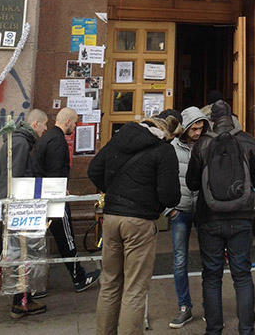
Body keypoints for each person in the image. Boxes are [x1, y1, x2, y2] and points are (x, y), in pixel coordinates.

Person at [88, 115, 180, 335]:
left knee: (109, 284)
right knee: (135, 289)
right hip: (140, 222)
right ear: (166, 132)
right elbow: (170, 196)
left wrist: (114, 191)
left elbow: (93, 170)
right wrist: (152, 203)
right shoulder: (164, 150)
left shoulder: (119, 139)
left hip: (111, 218)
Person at [186, 100, 255, 335]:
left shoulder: (202, 144)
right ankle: (247, 330)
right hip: (242, 217)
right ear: (232, 118)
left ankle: (214, 330)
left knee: (212, 276)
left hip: (209, 218)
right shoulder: (248, 141)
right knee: (242, 275)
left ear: (212, 120)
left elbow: (191, 182)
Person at [32, 107, 100, 293]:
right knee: (67, 238)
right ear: (68, 121)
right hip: (55, 197)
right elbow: (55, 170)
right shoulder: (57, 140)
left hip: (46, 194)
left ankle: (36, 288)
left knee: (59, 239)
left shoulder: (47, 138)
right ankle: (79, 278)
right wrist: (60, 190)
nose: (75, 126)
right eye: (75, 122)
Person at [0, 109, 48, 318]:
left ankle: (22, 299)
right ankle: (20, 303)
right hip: (17, 210)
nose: (46, 129)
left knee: (19, 255)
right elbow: (16, 180)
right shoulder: (21, 143)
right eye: (45, 124)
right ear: (35, 124)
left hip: (13, 209)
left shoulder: (17, 141)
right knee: (21, 254)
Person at [166, 106, 209, 329]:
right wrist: (169, 209)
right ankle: (184, 306)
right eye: (194, 128)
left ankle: (209, 305)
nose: (198, 133)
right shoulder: (171, 148)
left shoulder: (206, 146)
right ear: (185, 128)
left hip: (202, 210)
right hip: (180, 210)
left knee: (208, 258)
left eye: (201, 128)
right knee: (180, 260)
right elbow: (163, 178)